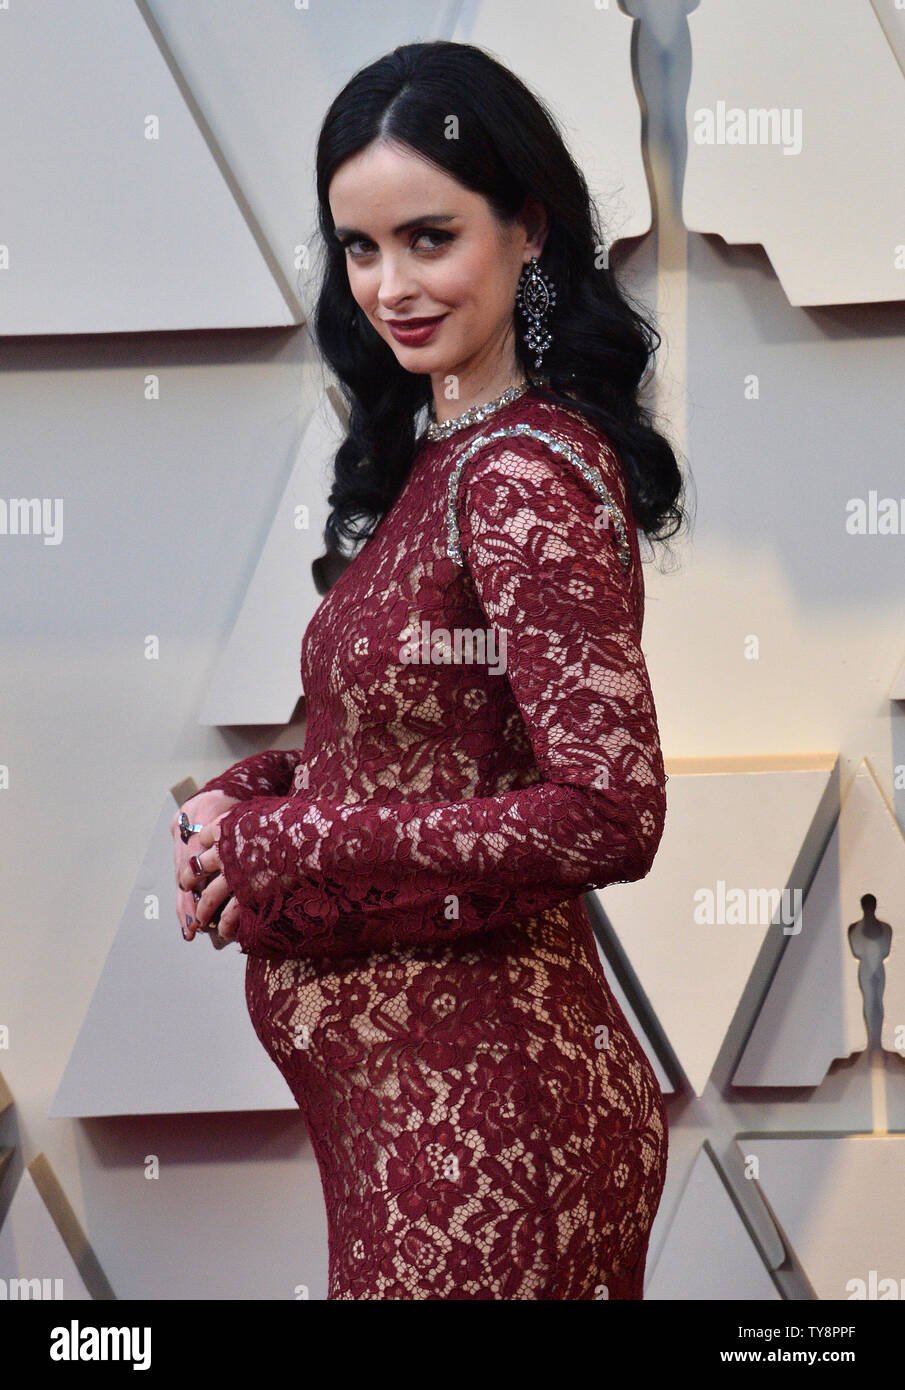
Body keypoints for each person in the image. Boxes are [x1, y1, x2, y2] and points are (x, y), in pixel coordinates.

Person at [171, 39, 687, 1300]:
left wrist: (288, 851)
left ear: (527, 231)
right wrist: (252, 797)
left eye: (427, 237)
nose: (388, 286)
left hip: (496, 1129)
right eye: (358, 248)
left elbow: (607, 810)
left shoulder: (517, 475)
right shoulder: (446, 457)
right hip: (428, 1123)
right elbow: (429, 736)